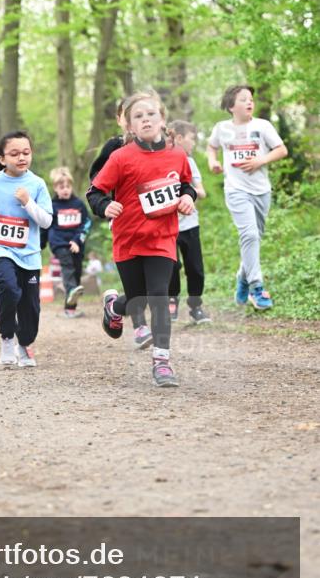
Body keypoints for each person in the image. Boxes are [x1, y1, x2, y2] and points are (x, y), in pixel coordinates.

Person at [88, 92, 196, 388]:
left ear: (162, 119)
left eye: (151, 114)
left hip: (163, 238)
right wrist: (104, 206)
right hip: (128, 239)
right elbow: (94, 192)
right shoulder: (121, 157)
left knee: (159, 295)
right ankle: (114, 307)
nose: (146, 119)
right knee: (138, 298)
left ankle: (162, 362)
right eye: (138, 116)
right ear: (129, 127)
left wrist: (187, 198)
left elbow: (187, 185)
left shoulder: (177, 155)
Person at [0, 131, 52, 368]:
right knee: (8, 288)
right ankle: (7, 337)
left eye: (26, 153)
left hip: (29, 253)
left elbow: (46, 221)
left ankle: (24, 343)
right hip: (0, 247)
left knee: (30, 305)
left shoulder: (37, 184)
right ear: (2, 159)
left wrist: (28, 202)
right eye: (15, 153)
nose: (21, 157)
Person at [207, 85, 287, 310]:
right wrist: (213, 162)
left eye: (251, 99)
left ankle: (242, 277)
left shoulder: (262, 126)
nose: (249, 102)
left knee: (254, 238)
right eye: (243, 99)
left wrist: (259, 161)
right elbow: (211, 147)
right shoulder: (221, 128)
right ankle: (256, 287)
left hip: (261, 190)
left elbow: (281, 150)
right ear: (231, 106)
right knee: (249, 234)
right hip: (236, 190)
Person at [88, 99, 152, 350]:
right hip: (125, 219)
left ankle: (114, 306)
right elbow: (95, 181)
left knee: (154, 282)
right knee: (135, 280)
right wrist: (105, 204)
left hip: (156, 223)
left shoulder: (156, 144)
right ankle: (140, 326)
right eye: (130, 115)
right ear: (120, 119)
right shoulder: (115, 147)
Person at [166, 121, 211, 325]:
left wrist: (187, 194)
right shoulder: (162, 161)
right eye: (192, 138)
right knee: (171, 266)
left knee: (195, 268)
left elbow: (201, 191)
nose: (194, 143)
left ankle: (196, 307)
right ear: (179, 138)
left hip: (190, 223)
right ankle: (171, 301)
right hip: (168, 225)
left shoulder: (190, 162)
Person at [48, 167, 91, 318]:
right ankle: (71, 289)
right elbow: (46, 225)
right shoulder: (52, 206)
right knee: (68, 269)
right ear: (55, 188)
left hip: (77, 244)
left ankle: (70, 309)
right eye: (61, 187)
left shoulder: (79, 204)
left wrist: (77, 240)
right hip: (59, 243)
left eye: (68, 186)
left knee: (76, 273)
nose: (65, 190)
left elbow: (86, 223)